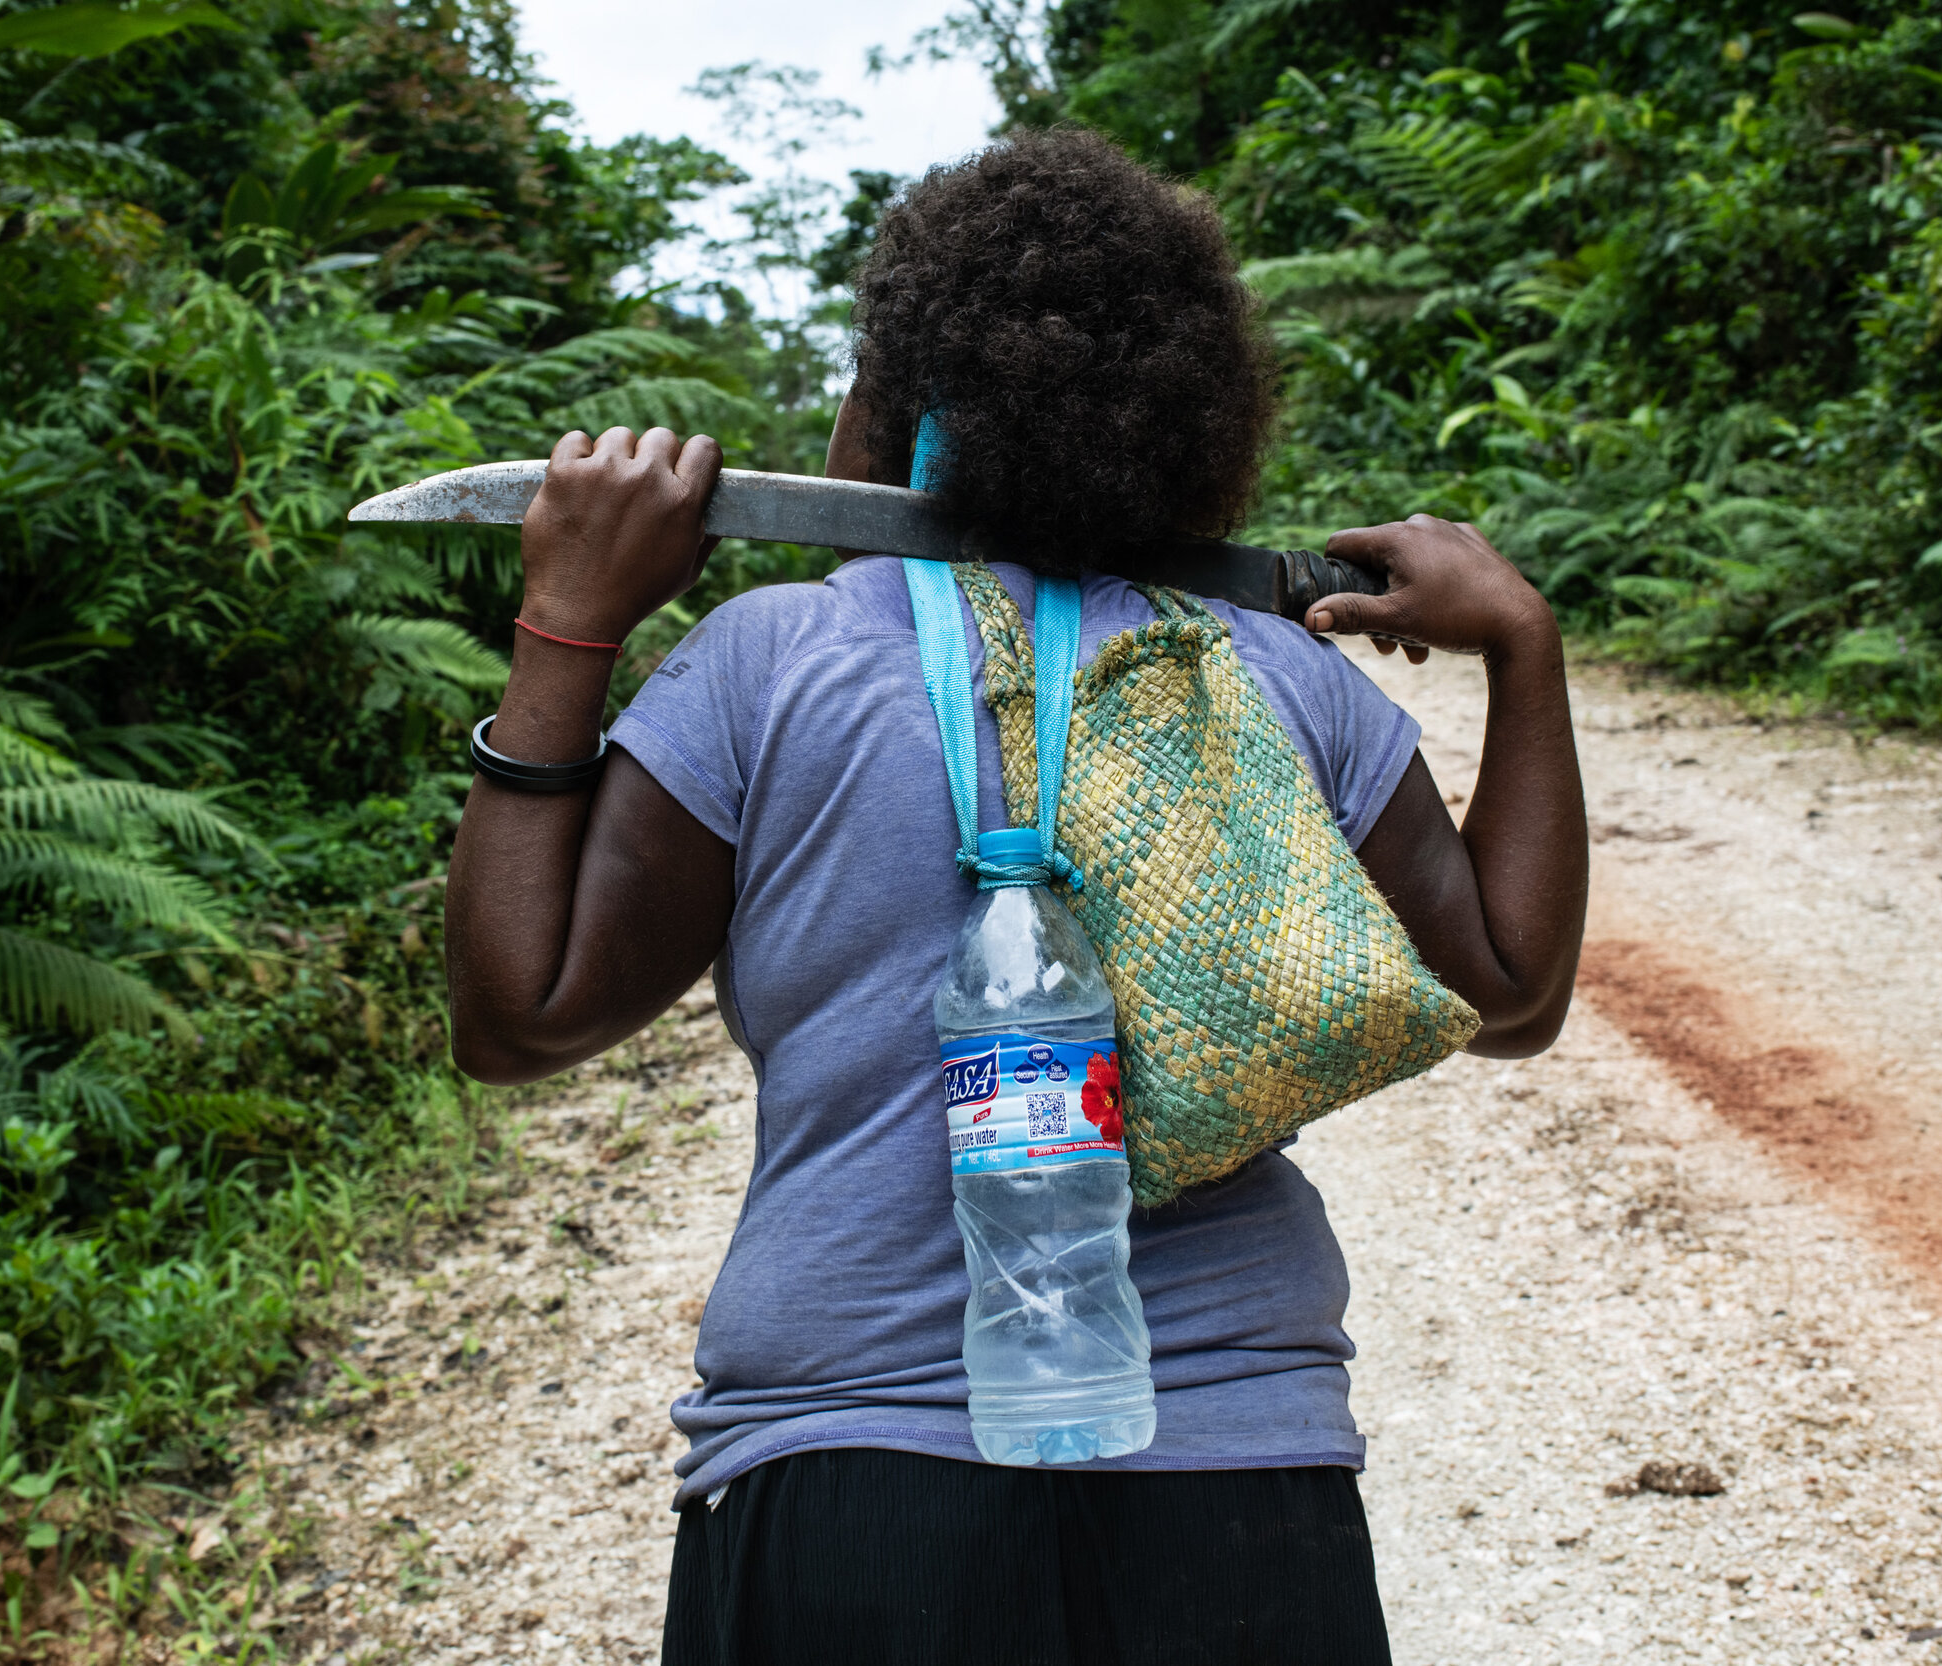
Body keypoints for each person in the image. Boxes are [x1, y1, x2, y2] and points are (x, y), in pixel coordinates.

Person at [444, 129, 1588, 1665]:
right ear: (1196, 423)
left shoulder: (770, 662)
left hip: (849, 1473)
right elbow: (1512, 992)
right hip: (1239, 1476)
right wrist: (1523, 645)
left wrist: (568, 626)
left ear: (895, 416)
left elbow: (518, 1015)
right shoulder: (1269, 670)